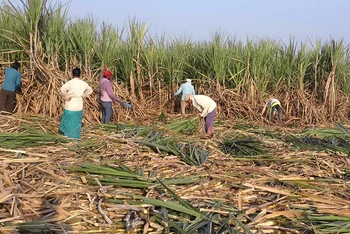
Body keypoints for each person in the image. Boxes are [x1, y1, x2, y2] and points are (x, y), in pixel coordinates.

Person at [59, 67, 93, 139]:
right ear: (80, 74)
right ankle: (75, 137)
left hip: (70, 104)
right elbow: (90, 90)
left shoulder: (70, 83)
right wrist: (83, 95)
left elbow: (62, 89)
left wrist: (66, 96)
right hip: (78, 105)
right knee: (77, 122)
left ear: (72, 74)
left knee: (69, 122)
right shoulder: (83, 83)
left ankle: (67, 137)